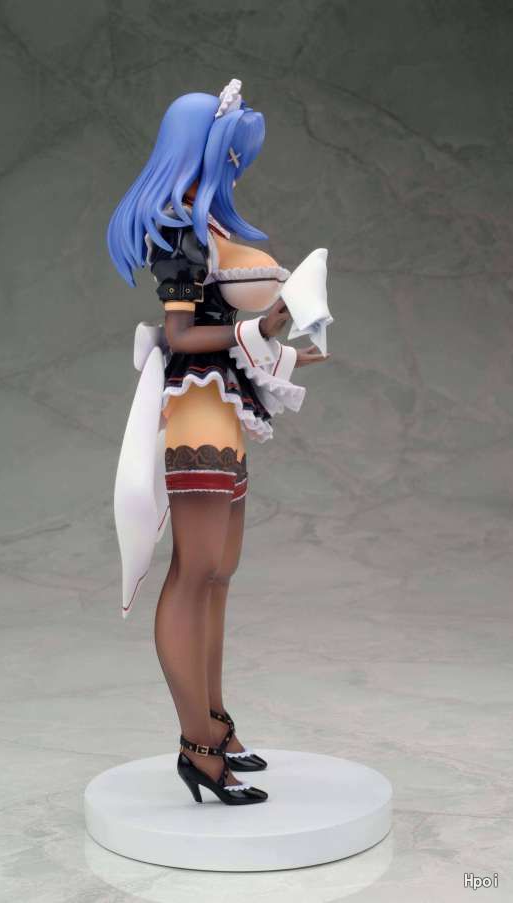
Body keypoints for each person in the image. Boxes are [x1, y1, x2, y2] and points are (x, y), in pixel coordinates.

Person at [107, 79, 329, 806]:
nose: (234, 168)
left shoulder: (203, 227)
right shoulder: (178, 233)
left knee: (220, 572)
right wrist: (261, 329)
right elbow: (180, 336)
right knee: (194, 570)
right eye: (229, 155)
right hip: (196, 412)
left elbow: (229, 333)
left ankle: (217, 722)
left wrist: (283, 350)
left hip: (225, 408)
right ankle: (197, 745)